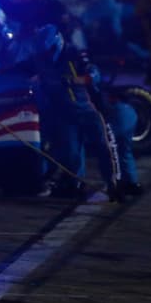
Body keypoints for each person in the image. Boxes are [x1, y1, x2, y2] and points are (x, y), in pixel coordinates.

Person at [31, 24, 120, 202]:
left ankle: (114, 185)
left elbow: (94, 75)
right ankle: (76, 185)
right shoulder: (41, 59)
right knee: (71, 152)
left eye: (49, 51)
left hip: (89, 110)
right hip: (64, 113)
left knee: (103, 147)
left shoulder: (75, 55)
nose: (47, 55)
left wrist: (74, 80)